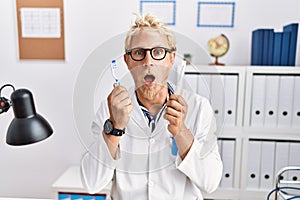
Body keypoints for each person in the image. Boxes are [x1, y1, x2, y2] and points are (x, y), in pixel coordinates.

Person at [80, 13, 223, 200]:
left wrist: (181, 132)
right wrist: (114, 128)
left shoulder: (199, 107)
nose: (148, 62)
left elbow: (210, 182)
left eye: (157, 52)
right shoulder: (111, 109)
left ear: (171, 59)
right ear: (128, 61)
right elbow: (92, 183)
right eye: (139, 53)